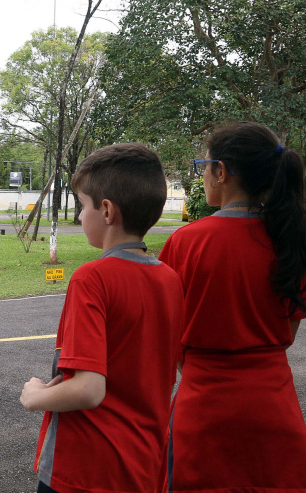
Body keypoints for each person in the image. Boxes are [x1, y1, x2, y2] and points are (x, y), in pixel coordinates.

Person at [159, 122, 306, 493]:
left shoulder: (186, 242)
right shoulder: (295, 244)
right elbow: (286, 335)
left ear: (221, 172)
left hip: (203, 404)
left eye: (202, 166)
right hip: (272, 403)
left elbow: (169, 335)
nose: (202, 174)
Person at [20, 143, 184, 493]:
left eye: (82, 206)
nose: (80, 217)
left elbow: (89, 389)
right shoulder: (170, 279)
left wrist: (34, 396)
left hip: (84, 470)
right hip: (144, 464)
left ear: (106, 210)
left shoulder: (91, 278)